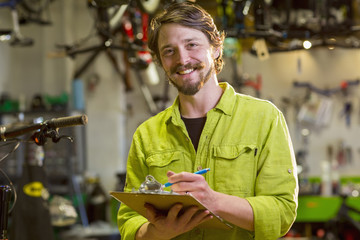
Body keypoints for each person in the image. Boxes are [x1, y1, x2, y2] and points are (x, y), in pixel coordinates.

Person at [118, 2, 298, 240]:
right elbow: (129, 221)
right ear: (161, 61)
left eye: (192, 45)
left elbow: (282, 212)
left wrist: (214, 201)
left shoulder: (264, 118)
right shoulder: (146, 134)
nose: (182, 59)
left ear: (215, 48)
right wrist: (155, 232)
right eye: (169, 51)